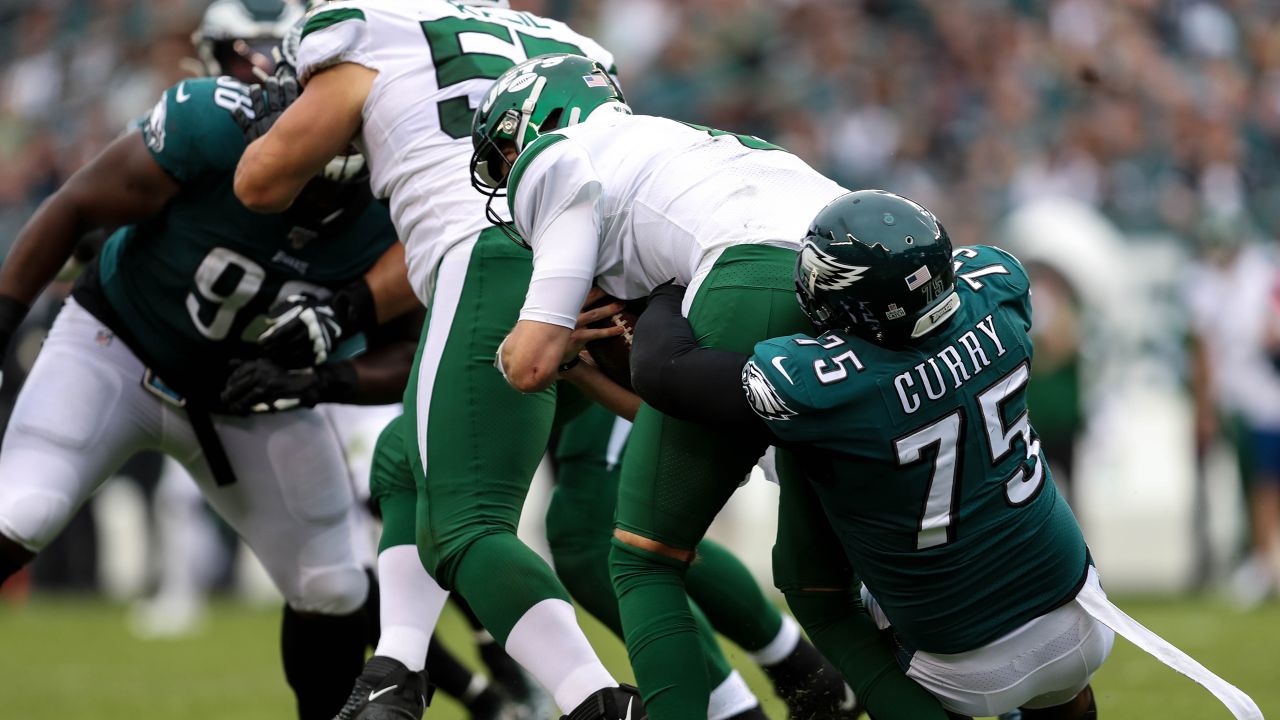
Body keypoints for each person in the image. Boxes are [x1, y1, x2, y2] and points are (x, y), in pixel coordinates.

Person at [628, 189, 1264, 720]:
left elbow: (664, 368)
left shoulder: (830, 384)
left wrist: (662, 286)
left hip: (963, 665)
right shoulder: (1001, 293)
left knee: (820, 594)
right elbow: (966, 274)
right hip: (1082, 616)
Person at [463, 54, 948, 720]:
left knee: (641, 559)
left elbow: (526, 364)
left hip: (752, 274)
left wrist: (538, 345)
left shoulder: (557, 156)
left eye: (505, 151)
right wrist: (582, 364)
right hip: (858, 282)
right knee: (828, 589)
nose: (508, 171)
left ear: (539, 120)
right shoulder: (683, 147)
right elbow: (681, 414)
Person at [233, 3, 650, 719]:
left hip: (497, 256)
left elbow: (259, 182)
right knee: (403, 457)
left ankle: (598, 703)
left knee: (468, 527)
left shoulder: (371, 29)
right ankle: (395, 672)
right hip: (614, 275)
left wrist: (334, 127)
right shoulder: (562, 37)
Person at [0, 61, 414, 718]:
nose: (285, 190)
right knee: (22, 511)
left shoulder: (402, 206)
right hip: (117, 344)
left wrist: (315, 379)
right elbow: (78, 201)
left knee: (334, 585)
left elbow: (413, 356)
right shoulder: (210, 122)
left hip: (248, 400)